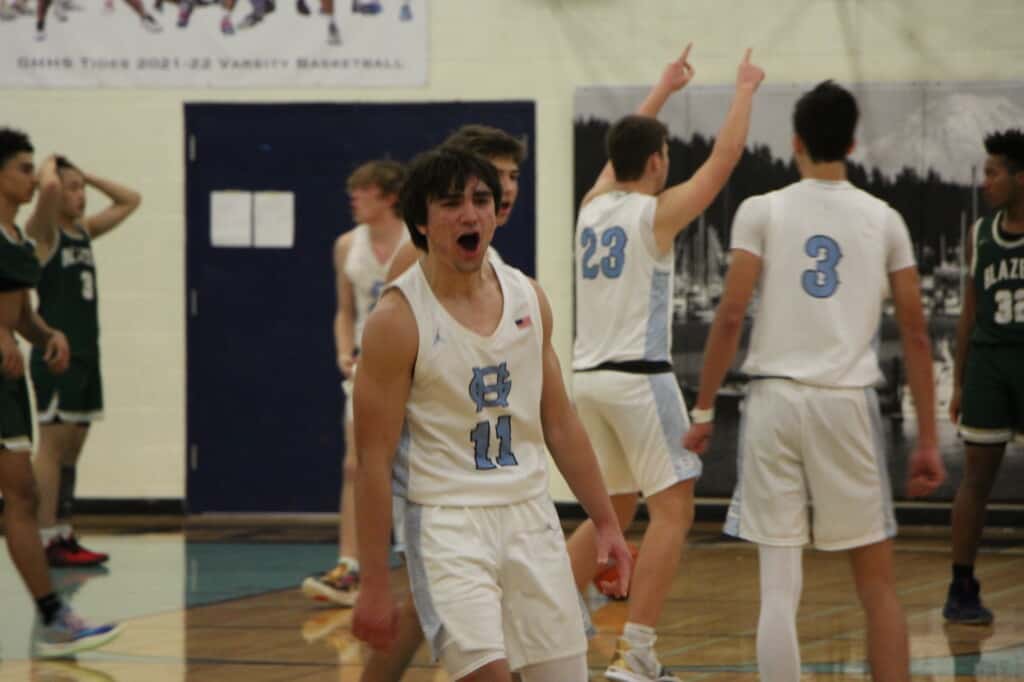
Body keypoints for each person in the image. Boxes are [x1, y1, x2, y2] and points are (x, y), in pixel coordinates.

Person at [682, 80, 947, 682]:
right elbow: (914, 333)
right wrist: (927, 438)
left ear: (795, 140)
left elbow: (728, 316)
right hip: (845, 404)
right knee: (877, 588)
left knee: (779, 589)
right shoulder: (885, 219)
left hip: (773, 401)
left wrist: (702, 413)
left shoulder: (762, 210)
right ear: (852, 142)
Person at [351, 146, 632, 681]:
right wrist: (373, 583)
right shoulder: (397, 320)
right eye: (451, 203)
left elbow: (560, 423)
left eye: (481, 200)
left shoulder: (529, 298)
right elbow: (371, 460)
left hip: (530, 516)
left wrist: (606, 525)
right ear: (421, 221)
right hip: (445, 524)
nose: (469, 214)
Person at [566, 46, 762, 682]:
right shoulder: (655, 214)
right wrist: (745, 90)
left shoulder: (591, 207)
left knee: (611, 514)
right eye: (663, 156)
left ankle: (546, 624)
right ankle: (638, 655)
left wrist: (660, 90)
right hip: (636, 379)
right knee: (676, 511)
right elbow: (725, 160)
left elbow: (620, 152)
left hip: (587, 382)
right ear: (655, 163)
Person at [359, 124, 526, 682]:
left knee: (426, 616)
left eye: (512, 177)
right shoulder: (419, 255)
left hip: (477, 462)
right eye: (496, 175)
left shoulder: (493, 263)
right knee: (433, 610)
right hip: (421, 456)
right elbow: (396, 346)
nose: (507, 188)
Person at [0, 127, 122, 657]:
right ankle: (53, 616)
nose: (32, 179)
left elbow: (20, 311)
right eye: (22, 168)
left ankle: (53, 619)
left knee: (21, 497)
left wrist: (46, 334)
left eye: (33, 168)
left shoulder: (17, 241)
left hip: (7, 383)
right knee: (22, 497)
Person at [25, 156, 141, 568]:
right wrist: (50, 168)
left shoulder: (84, 233)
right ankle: (43, 536)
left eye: (82, 188)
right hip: (57, 356)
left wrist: (86, 173)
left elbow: (131, 200)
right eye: (71, 188)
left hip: (88, 356)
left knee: (73, 450)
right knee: (52, 447)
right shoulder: (43, 233)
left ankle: (64, 530)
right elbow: (50, 191)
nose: (80, 195)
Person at [301, 159, 407, 607]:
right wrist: (343, 350)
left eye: (363, 192)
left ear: (389, 196)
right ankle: (352, 565)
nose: (354, 199)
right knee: (356, 464)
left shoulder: (415, 240)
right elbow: (344, 309)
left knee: (422, 466)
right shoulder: (347, 246)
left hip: (412, 365)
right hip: (366, 370)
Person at [945, 128, 1024, 625]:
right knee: (976, 479)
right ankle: (961, 585)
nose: (985, 181)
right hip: (991, 365)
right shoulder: (981, 233)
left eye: (993, 172)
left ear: (1021, 177)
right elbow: (969, 314)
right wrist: (957, 380)